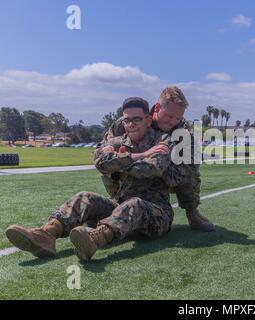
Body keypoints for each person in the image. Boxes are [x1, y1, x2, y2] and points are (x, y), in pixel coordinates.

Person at [5, 98, 177, 261]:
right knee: (84, 197)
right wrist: (139, 155)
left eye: (136, 119)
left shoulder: (162, 141)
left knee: (135, 203)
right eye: (126, 120)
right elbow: (100, 162)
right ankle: (46, 235)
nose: (130, 124)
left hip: (155, 214)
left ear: (148, 120)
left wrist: (116, 160)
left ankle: (94, 240)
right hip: (119, 208)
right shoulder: (117, 141)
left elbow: (149, 169)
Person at [103, 87, 214, 232]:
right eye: (169, 116)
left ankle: (192, 213)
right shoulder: (129, 120)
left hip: (165, 171)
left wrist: (157, 166)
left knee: (190, 172)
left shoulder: (184, 131)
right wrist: (128, 159)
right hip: (129, 170)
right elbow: (104, 151)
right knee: (108, 168)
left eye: (178, 118)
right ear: (156, 108)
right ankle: (117, 204)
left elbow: (190, 167)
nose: (173, 122)